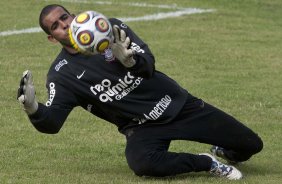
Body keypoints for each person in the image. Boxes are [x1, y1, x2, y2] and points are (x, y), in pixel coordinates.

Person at [17, 4, 263, 180]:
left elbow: (149, 65)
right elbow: (53, 122)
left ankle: (223, 151)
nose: (65, 25)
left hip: (177, 104)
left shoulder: (110, 27)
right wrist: (33, 108)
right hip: (142, 127)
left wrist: (131, 62)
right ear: (52, 38)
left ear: (73, 15)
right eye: (56, 26)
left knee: (251, 144)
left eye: (65, 17)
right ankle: (207, 162)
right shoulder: (62, 74)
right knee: (143, 164)